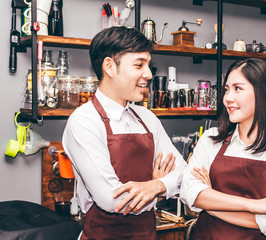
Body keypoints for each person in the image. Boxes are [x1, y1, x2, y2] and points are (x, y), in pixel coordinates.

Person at [62, 26, 187, 240]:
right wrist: (162, 189)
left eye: (148, 65)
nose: (148, 74)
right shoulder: (84, 121)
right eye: (139, 65)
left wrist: (156, 185)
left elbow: (185, 174)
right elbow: (112, 200)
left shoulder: (148, 119)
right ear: (109, 66)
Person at [180, 58, 266, 240]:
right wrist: (255, 206)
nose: (228, 98)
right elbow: (189, 193)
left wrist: (210, 202)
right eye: (227, 90)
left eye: (238, 88)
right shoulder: (211, 138)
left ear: (262, 93)